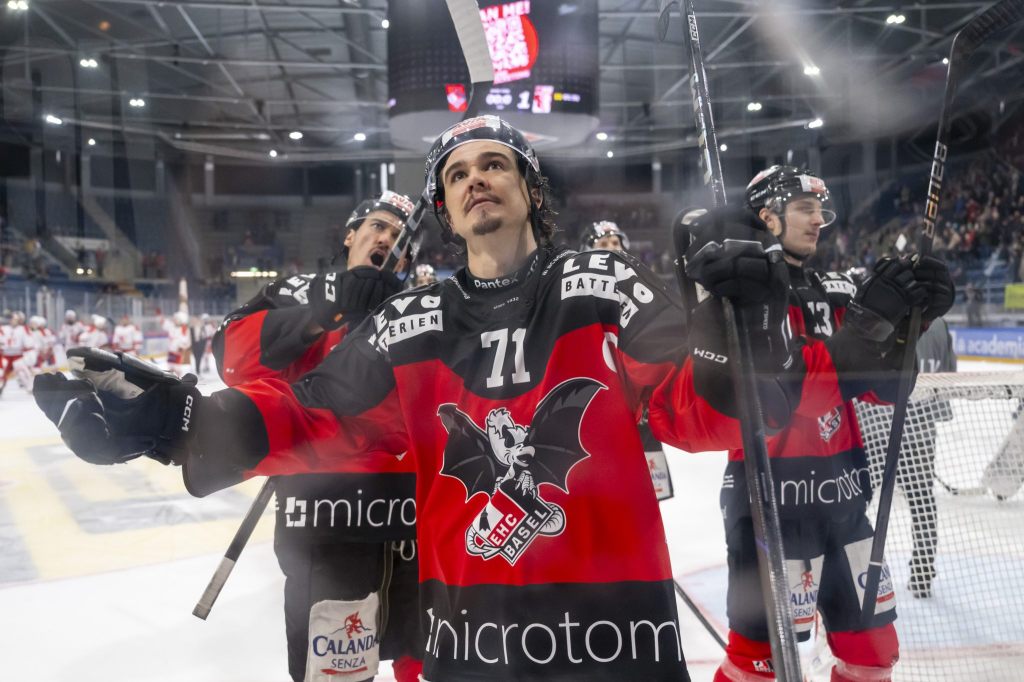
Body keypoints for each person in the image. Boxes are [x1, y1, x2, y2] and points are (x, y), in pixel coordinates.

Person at [36, 117, 855, 681]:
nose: (476, 180)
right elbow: (318, 415)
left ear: (530, 188)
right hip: (472, 645)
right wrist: (185, 426)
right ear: (446, 210)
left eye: (495, 163)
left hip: (617, 644)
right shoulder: (410, 322)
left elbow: (706, 414)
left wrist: (746, 330)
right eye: (457, 174)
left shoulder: (603, 285)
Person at [696, 166, 954, 682]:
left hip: (844, 498)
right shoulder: (741, 292)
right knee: (761, 663)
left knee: (873, 655)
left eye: (822, 208)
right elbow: (794, 396)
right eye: (804, 208)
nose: (819, 220)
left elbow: (885, 389)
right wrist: (860, 333)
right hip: (771, 501)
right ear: (768, 217)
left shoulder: (838, 287)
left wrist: (910, 324)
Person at [209, 189, 421, 682]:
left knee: (426, 659)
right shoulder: (304, 290)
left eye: (399, 237)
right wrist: (323, 313)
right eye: (379, 227)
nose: (388, 239)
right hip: (330, 512)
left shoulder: (419, 304)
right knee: (336, 673)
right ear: (351, 234)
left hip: (414, 511)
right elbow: (230, 357)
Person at [858, 316, 956, 599]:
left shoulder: (883, 315)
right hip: (920, 434)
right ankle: (923, 574)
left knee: (857, 503)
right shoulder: (939, 325)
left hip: (877, 430)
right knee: (922, 503)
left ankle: (854, 570)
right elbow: (949, 375)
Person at [580, 221, 673, 500]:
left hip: (640, 411)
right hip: (600, 411)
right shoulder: (575, 296)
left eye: (615, 243)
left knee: (649, 502)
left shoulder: (646, 288)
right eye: (603, 244)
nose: (611, 250)